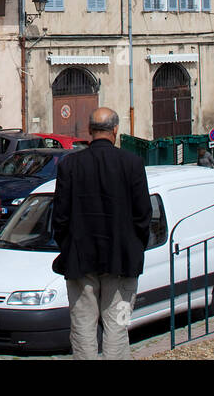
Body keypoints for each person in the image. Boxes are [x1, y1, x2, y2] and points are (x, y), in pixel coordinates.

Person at [51, 107, 151, 359]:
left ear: (89, 130)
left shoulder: (70, 165)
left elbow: (59, 217)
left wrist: (69, 247)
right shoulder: (133, 163)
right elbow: (143, 215)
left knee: (83, 327)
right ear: (115, 130)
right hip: (121, 261)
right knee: (118, 326)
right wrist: (135, 248)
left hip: (80, 261)